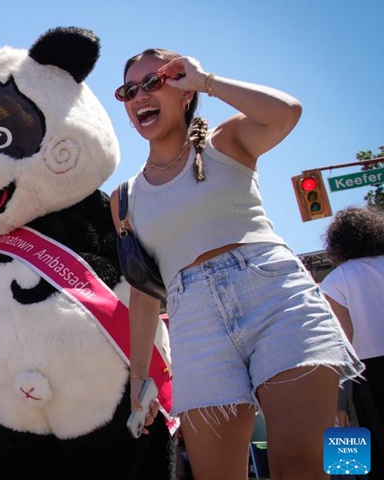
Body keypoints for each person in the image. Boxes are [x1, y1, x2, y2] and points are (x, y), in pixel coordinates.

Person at [110, 48, 363, 480]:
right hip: (194, 323)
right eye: (129, 90)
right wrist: (138, 379)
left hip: (274, 297)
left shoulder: (225, 142)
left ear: (183, 91)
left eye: (154, 82)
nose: (140, 96)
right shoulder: (124, 199)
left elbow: (286, 112)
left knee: (300, 469)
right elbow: (144, 291)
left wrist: (206, 80)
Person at [320, 205, 384, 478]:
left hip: (366, 375)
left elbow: (341, 344)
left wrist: (336, 404)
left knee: (364, 459)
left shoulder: (336, 281)